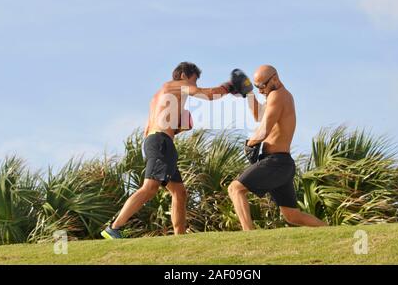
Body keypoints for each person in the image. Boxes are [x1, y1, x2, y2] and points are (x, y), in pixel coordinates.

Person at [101, 62, 252, 239]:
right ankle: (114, 227)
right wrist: (228, 86)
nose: (194, 86)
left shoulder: (160, 96)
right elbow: (209, 95)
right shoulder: (176, 85)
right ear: (183, 76)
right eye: (194, 81)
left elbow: (151, 127)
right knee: (150, 188)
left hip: (158, 142)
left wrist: (179, 128)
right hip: (160, 143)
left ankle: (179, 238)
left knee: (179, 192)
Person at [228, 65, 327, 230]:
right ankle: (332, 232)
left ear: (275, 78)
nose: (260, 90)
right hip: (282, 164)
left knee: (235, 189)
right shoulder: (276, 96)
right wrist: (249, 93)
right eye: (257, 86)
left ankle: (248, 236)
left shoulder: (278, 96)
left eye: (262, 86)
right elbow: (259, 115)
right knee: (292, 216)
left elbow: (264, 130)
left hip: (276, 162)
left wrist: (250, 143)